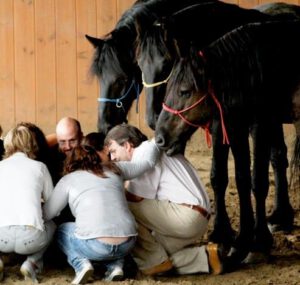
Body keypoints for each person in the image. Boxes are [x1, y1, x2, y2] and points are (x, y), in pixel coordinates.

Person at [105, 124, 224, 277]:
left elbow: (135, 198)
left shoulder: (141, 154)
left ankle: (152, 262)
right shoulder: (154, 150)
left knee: (119, 204)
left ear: (128, 145)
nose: (113, 158)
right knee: (158, 257)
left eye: (113, 151)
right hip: (195, 219)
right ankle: (206, 257)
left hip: (184, 216)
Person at [43, 138, 160, 284]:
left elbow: (48, 214)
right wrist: (156, 141)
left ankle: (81, 265)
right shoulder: (116, 169)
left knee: (62, 230)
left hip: (95, 246)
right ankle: (115, 266)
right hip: (128, 243)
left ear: (71, 163)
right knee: (113, 226)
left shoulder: (68, 180)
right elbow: (148, 163)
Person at [0, 124, 56, 282]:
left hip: (1, 238)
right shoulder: (40, 167)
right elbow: (53, 207)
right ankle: (32, 262)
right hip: (32, 239)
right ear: (32, 143)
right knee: (52, 224)